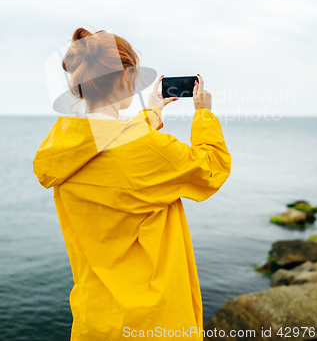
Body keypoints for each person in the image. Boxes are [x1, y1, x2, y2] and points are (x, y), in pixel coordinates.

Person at [33, 28, 232, 341]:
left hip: (94, 320)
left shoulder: (59, 148)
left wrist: (153, 110)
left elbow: (109, 140)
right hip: (154, 323)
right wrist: (203, 113)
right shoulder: (146, 148)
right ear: (126, 76)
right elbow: (211, 169)